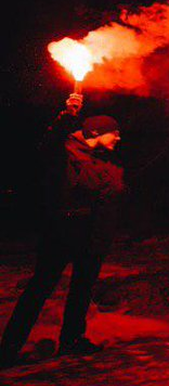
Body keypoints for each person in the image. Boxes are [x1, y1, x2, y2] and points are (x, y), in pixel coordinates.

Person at [1, 94, 125, 368]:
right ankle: (8, 349)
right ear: (95, 132)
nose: (118, 138)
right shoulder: (64, 151)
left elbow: (108, 201)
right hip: (62, 233)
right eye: (113, 133)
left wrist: (103, 238)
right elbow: (48, 144)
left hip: (92, 237)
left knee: (81, 290)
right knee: (40, 288)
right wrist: (67, 115)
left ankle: (72, 340)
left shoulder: (107, 161)